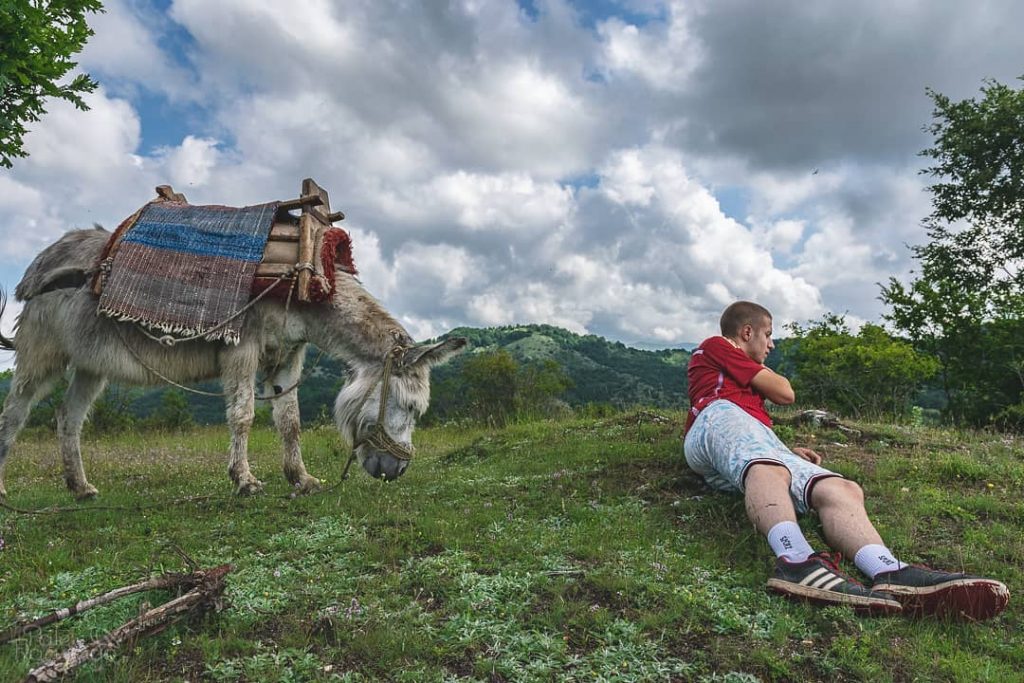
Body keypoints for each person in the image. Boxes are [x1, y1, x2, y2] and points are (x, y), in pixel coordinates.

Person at [682, 301, 1009, 620]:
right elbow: (784, 392)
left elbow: (750, 431)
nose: (772, 343)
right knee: (768, 467)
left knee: (839, 487)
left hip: (750, 437)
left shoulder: (737, 373)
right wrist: (771, 450)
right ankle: (796, 561)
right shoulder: (718, 344)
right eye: (767, 335)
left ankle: (887, 569)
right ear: (746, 332)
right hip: (716, 418)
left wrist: (784, 449)